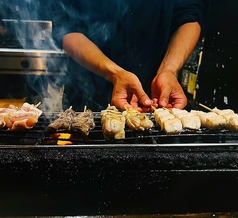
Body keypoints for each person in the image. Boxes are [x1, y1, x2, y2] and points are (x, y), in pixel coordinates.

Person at [51, 0, 207, 112]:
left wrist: (169, 70)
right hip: (88, 96)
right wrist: (115, 73)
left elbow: (189, 16)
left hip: (157, 97)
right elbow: (66, 27)